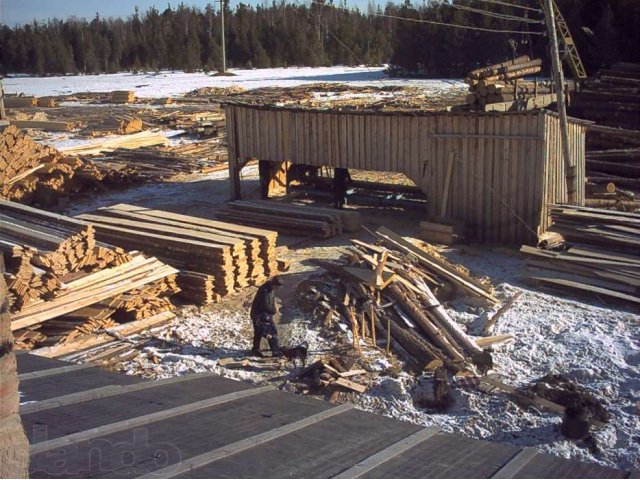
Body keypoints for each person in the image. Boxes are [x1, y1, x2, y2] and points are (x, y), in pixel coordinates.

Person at [250, 276, 283, 357]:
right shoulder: (264, 291)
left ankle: (272, 349)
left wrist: (274, 308)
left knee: (267, 331)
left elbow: (271, 301)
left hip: (265, 314)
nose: (277, 289)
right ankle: (275, 352)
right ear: (273, 284)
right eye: (277, 287)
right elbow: (265, 306)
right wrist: (274, 310)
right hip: (259, 314)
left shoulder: (270, 289)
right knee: (268, 332)